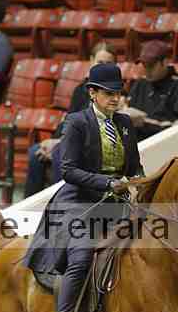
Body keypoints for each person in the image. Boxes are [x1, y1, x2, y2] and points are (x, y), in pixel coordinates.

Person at [23, 61, 142, 312]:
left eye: (117, 93)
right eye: (108, 93)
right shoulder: (77, 122)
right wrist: (108, 182)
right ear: (92, 93)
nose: (114, 98)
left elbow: (134, 166)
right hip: (80, 203)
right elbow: (68, 170)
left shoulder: (125, 124)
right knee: (82, 257)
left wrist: (140, 182)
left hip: (116, 204)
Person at [23, 41, 115, 198]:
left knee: (61, 154)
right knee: (35, 152)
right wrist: (54, 141)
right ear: (91, 61)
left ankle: (62, 203)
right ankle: (31, 205)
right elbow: (70, 120)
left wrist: (58, 143)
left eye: (108, 64)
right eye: (100, 63)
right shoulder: (81, 89)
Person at [124, 40, 178, 141]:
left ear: (164, 62)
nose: (147, 70)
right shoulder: (140, 84)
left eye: (151, 66)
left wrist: (145, 121)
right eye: (144, 65)